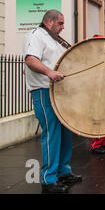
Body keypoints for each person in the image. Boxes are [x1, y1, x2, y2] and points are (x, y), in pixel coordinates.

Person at [23, 10, 81, 194]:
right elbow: (31, 60)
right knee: (52, 133)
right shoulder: (35, 35)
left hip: (58, 93)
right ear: (49, 22)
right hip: (43, 91)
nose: (63, 27)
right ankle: (49, 179)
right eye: (61, 23)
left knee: (64, 132)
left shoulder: (54, 38)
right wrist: (50, 73)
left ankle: (63, 172)